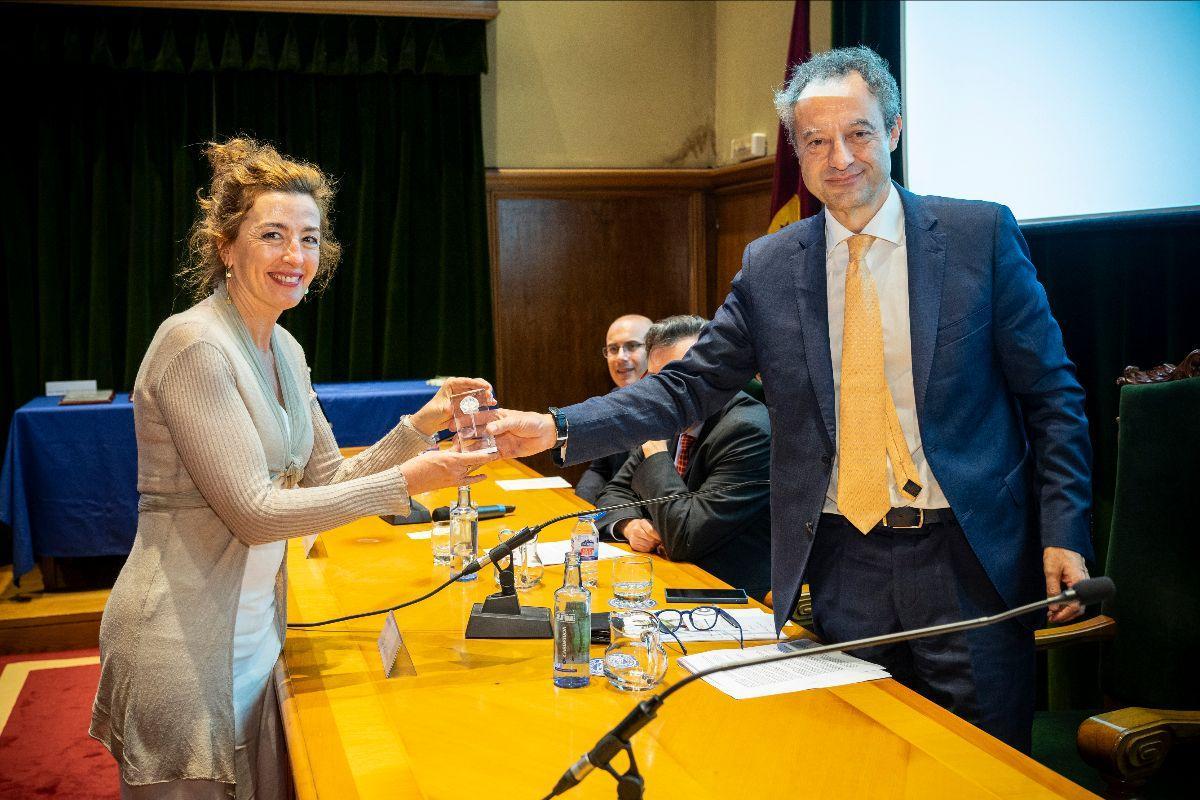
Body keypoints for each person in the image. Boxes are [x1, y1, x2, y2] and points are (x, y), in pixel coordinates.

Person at [487, 46, 1093, 752]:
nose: (839, 157)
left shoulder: (976, 237)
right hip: (843, 565)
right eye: (815, 141)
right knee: (856, 761)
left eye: (858, 133)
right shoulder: (773, 266)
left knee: (986, 766)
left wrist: (1064, 529)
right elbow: (687, 385)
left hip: (967, 561)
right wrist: (558, 426)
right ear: (796, 151)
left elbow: (1052, 396)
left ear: (893, 130)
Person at [89, 138, 497, 799]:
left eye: (308, 239)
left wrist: (424, 424)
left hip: (254, 635)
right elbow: (254, 514)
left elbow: (327, 480)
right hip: (181, 644)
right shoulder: (193, 345)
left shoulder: (283, 345)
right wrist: (407, 483)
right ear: (226, 246)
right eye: (272, 235)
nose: (295, 257)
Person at [597, 315, 771, 599]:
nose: (666, 395)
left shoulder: (747, 430)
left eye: (679, 379)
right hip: (673, 579)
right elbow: (613, 492)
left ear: (716, 374)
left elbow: (684, 537)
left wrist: (655, 456)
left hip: (732, 596)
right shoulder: (672, 422)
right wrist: (629, 525)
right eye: (657, 381)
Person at [574, 313, 652, 503]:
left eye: (632, 346)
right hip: (614, 511)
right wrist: (579, 507)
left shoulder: (667, 404)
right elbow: (599, 470)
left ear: (653, 350)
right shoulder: (613, 399)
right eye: (613, 349)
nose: (621, 357)